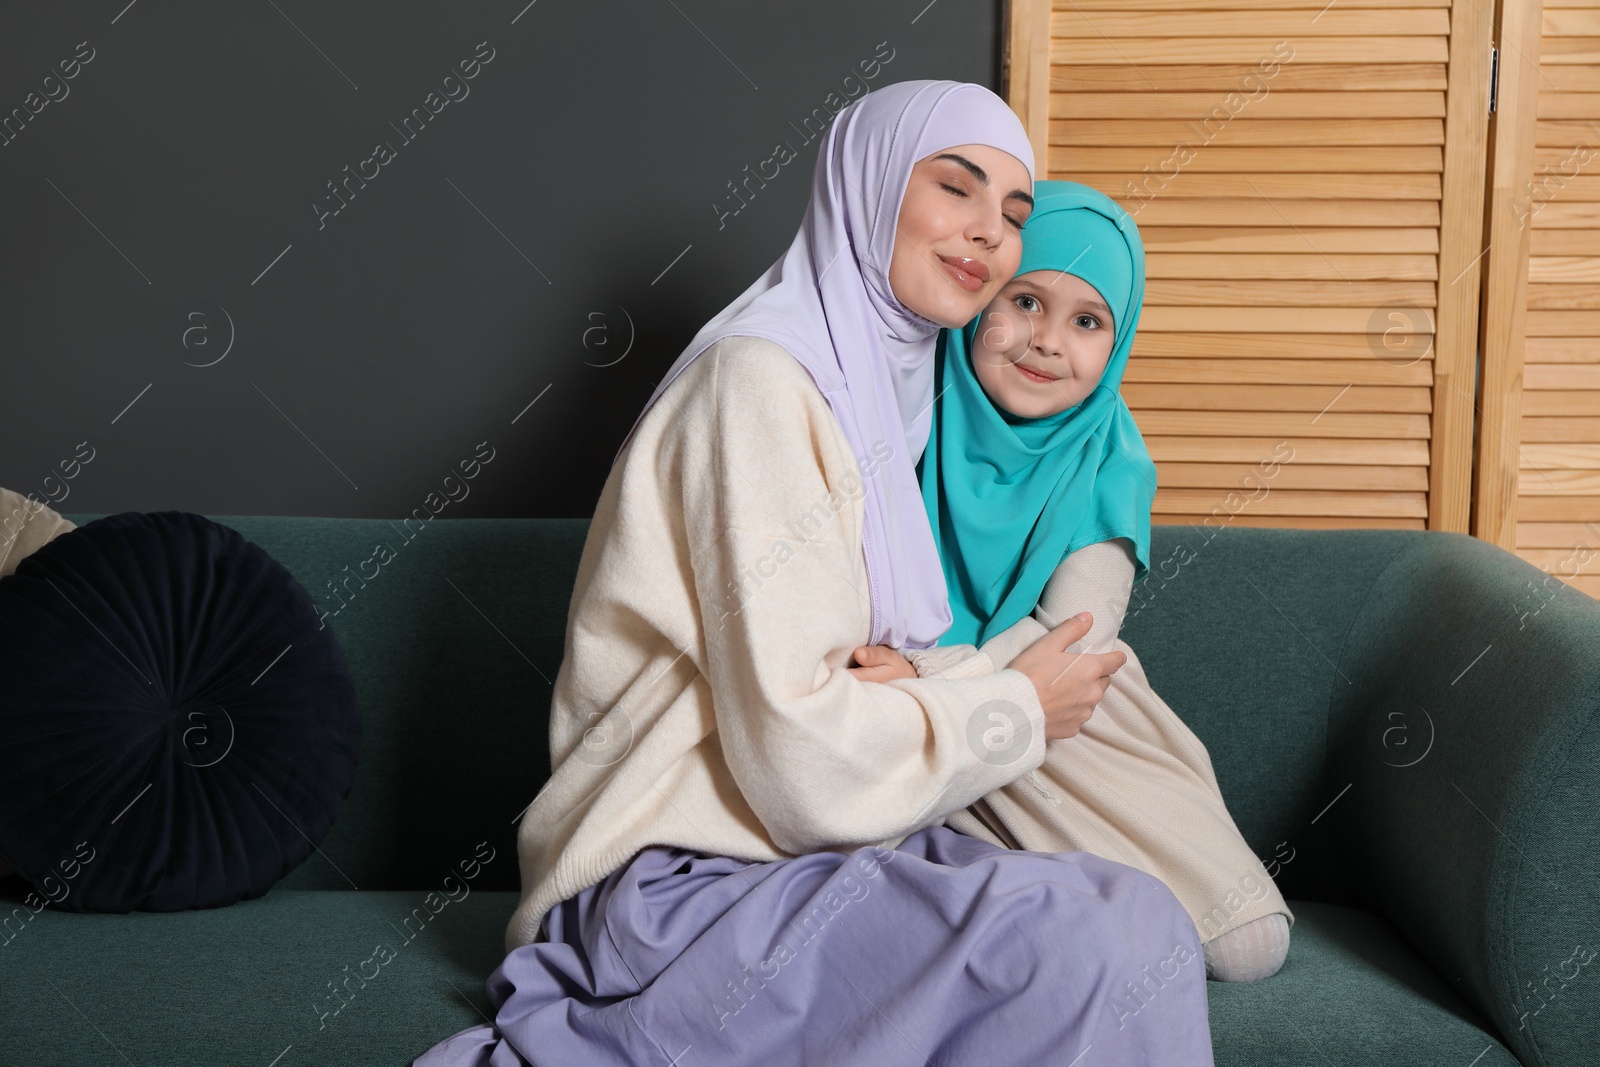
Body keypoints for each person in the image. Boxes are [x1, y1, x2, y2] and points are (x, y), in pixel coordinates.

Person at [412, 84, 1214, 1066]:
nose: (987, 234)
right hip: (678, 879)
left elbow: (860, 685)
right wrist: (1014, 705)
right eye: (954, 187)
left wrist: (942, 684)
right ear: (868, 187)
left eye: (1011, 213)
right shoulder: (758, 384)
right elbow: (800, 761)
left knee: (1135, 911)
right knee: (1092, 941)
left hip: (803, 853)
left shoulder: (879, 393)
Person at [848, 181, 1293, 983]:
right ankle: (1008, 896)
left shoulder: (1109, 464)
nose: (1048, 342)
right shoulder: (897, 421)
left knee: (1249, 942)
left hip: (1070, 725)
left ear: (1116, 346)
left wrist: (925, 668)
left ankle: (1040, 898)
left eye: (1088, 322)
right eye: (1025, 301)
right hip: (922, 730)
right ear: (978, 295)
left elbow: (1071, 639)